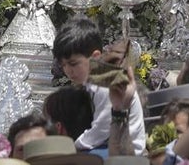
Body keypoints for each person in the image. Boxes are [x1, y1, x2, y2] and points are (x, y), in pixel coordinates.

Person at [51, 16, 146, 155]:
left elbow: (102, 128)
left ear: (95, 56)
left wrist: (74, 145)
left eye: (73, 63)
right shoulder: (91, 83)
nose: (68, 71)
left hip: (128, 151)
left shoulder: (104, 84)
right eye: (63, 65)